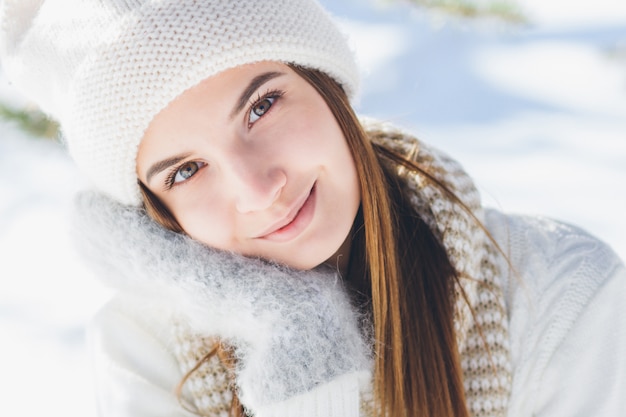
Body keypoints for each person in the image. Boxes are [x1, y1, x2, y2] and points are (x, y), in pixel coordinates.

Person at [1, 1, 624, 416]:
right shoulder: (142, 350)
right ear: (158, 214)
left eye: (261, 106)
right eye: (187, 171)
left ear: (329, 88)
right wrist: (298, 345)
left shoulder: (562, 296)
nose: (257, 187)